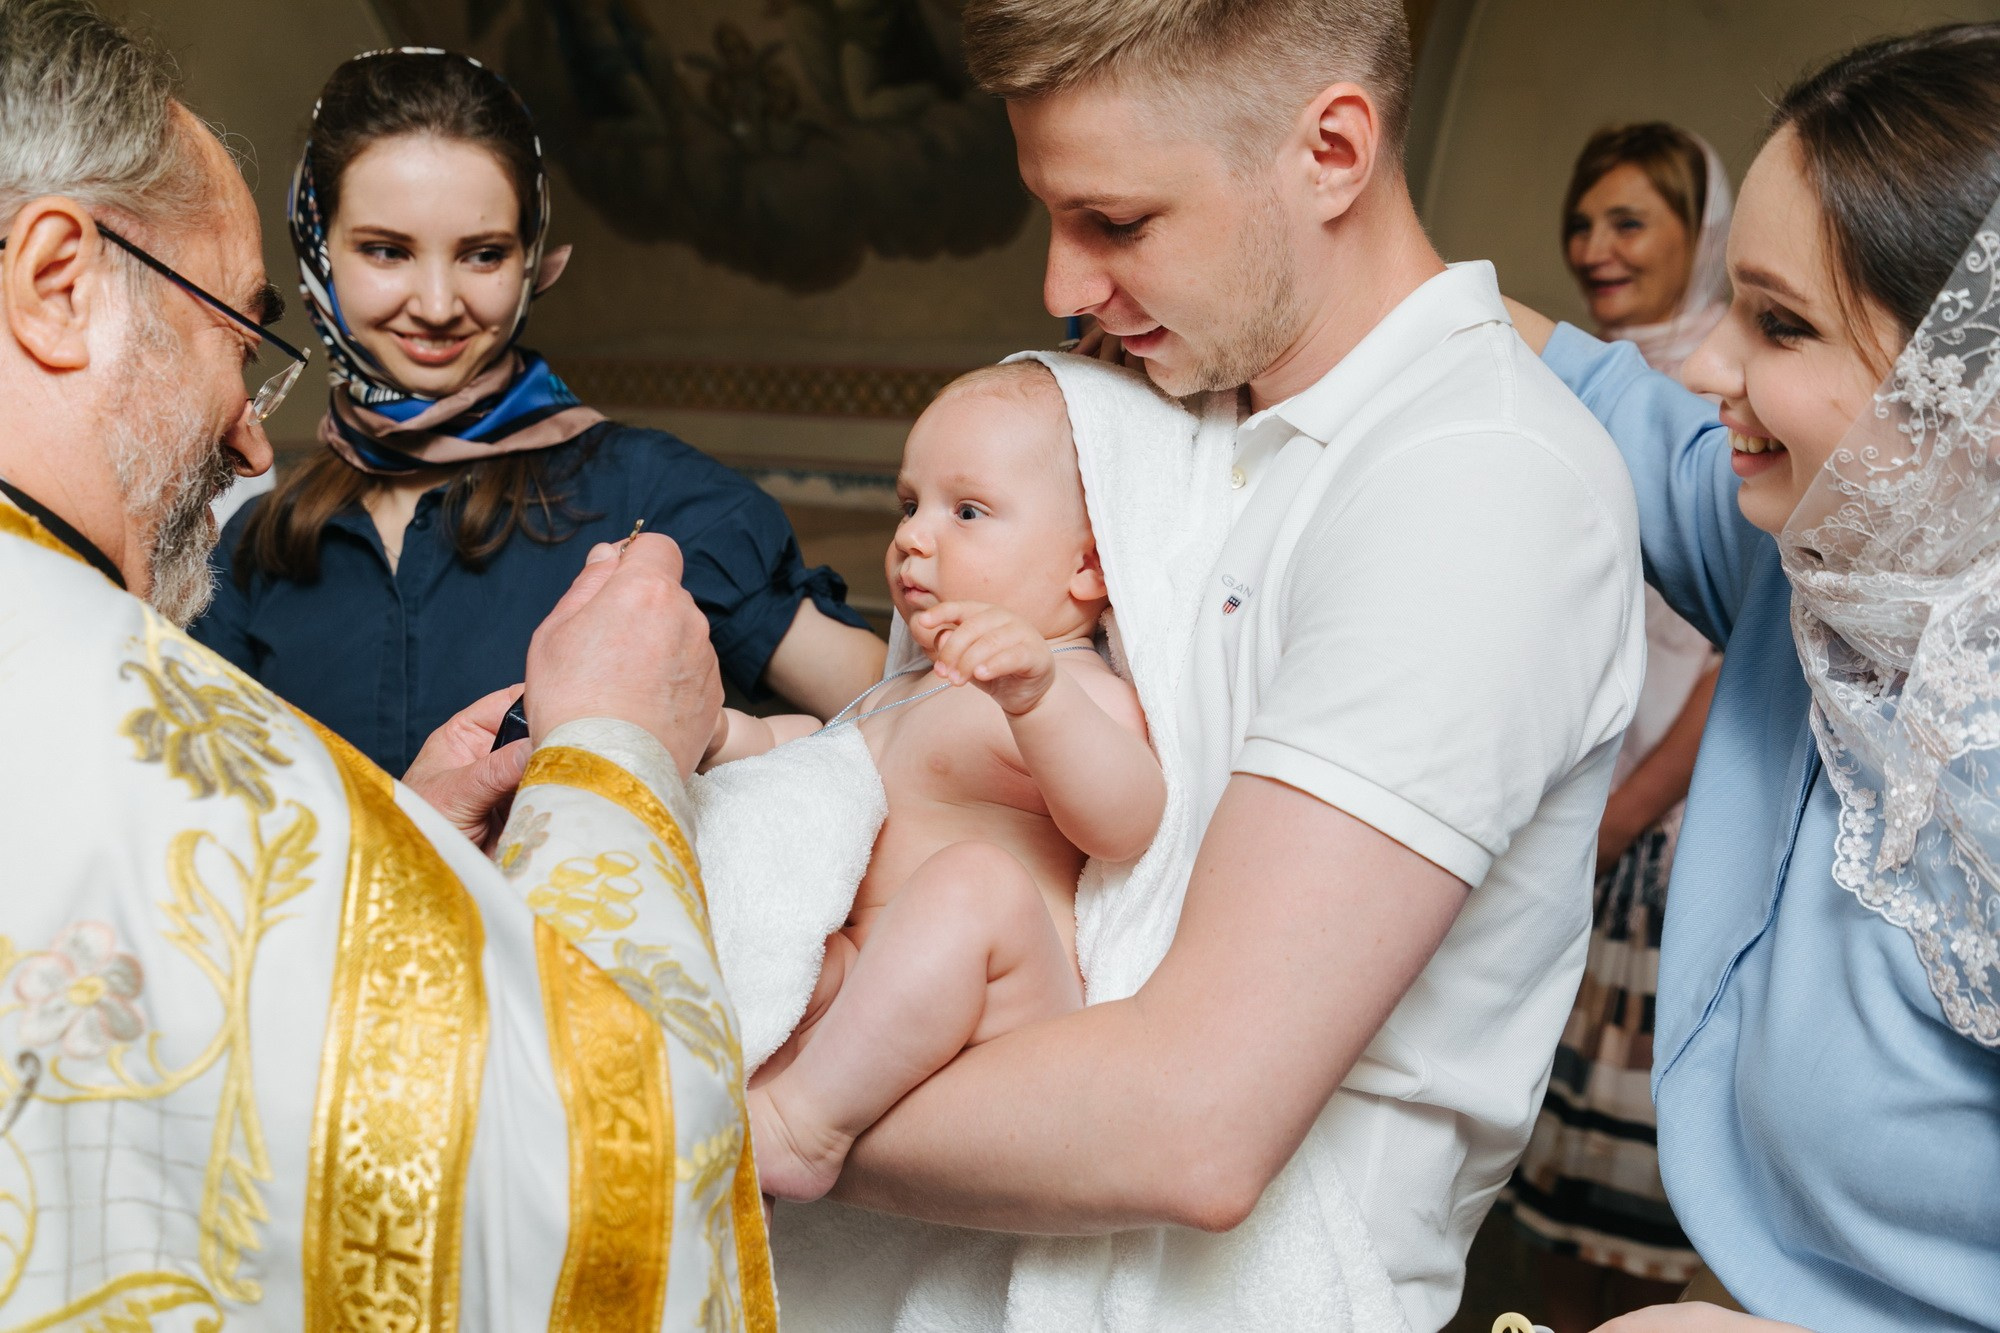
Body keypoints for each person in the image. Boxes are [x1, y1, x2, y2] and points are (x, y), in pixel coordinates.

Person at [762, 1, 1646, 1328]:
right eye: (1051, 217)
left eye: (1117, 222)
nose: (1061, 287)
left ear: (1333, 152)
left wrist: (662, 1103)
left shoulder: (1476, 483)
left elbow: (1195, 1124)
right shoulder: (1162, 414)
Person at [0, 3, 772, 1326]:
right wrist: (615, 756)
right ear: (58, 282)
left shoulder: (651, 485)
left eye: (481, 250)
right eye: (238, 343)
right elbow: (588, 1164)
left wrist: (395, 831)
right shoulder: (106, 690)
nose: (253, 445)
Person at [1504, 23, 2000, 1333]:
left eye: (1779, 323)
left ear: (1974, 393)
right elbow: (1601, 395)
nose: (1713, 365)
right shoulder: (1815, 555)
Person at [191, 48, 884, 776]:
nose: (435, 304)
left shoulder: (653, 495)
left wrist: (725, 745)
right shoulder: (256, 546)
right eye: (387, 251)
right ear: (318, 253)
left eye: (483, 255)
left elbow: (894, 720)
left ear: (530, 259)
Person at [717, 361, 1164, 1202]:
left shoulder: (1070, 688)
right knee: (790, 923)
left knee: (976, 887)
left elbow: (1129, 820)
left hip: (1005, 1006)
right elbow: (821, 769)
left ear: (1089, 567)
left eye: (966, 511)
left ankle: (805, 1126)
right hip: (873, 996)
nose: (914, 537)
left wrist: (1037, 699)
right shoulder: (907, 688)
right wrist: (721, 736)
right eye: (908, 504)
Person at [1502, 122, 1728, 1326]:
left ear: (1702, 237)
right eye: (1580, 223)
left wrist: (1619, 821)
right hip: (1589, 789)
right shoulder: (1587, 374)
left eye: (1627, 222)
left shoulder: (1717, 385)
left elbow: (1738, 653)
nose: (1592, 248)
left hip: (1663, 824)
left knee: (1638, 1157)